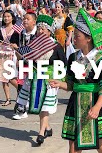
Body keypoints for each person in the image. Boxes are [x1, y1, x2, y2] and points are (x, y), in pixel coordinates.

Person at [49, 8, 102, 153]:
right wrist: (59, 84)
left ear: (88, 38)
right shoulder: (72, 57)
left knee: (101, 146)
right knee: (74, 147)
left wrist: (96, 107)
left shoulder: (101, 59)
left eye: (77, 36)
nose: (74, 39)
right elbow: (70, 84)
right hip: (76, 104)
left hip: (95, 103)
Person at [12, 14, 66, 145]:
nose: (40, 31)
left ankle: (41, 133)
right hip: (35, 78)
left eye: (43, 29)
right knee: (38, 105)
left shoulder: (56, 46)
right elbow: (24, 58)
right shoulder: (33, 44)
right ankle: (47, 128)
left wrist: (60, 79)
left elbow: (63, 63)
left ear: (50, 31)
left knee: (45, 106)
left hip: (50, 81)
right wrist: (16, 50)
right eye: (39, 28)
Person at [0, 10, 20, 106]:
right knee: (3, 78)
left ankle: (21, 90)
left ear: (12, 18)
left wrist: (16, 47)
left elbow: (19, 43)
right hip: (2, 55)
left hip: (13, 55)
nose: (6, 18)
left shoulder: (16, 30)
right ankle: (8, 98)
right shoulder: (0, 29)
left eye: (8, 16)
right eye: (5, 16)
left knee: (11, 76)